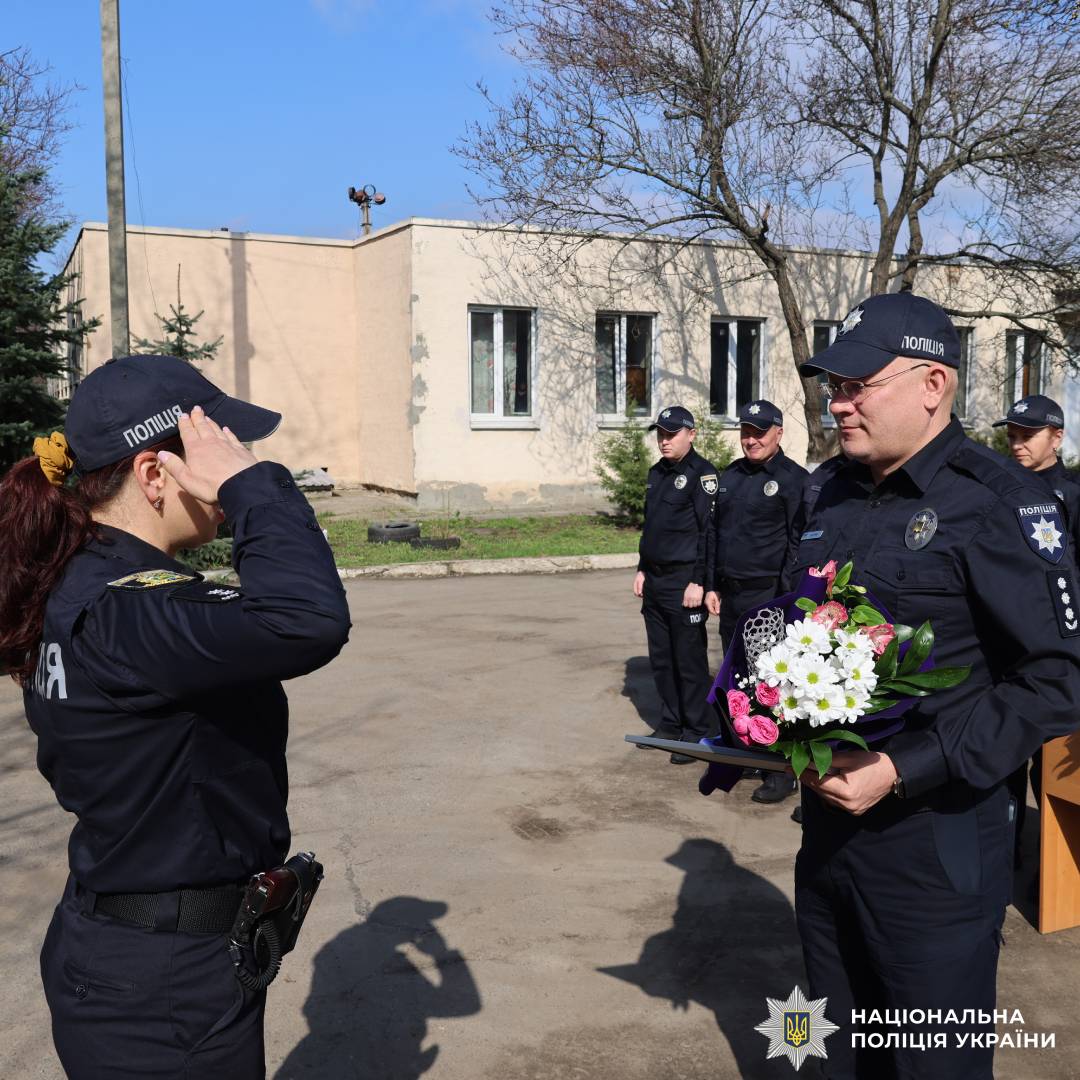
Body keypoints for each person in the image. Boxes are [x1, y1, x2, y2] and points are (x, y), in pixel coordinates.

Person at [0, 354, 352, 1078]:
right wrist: (255, 487)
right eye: (215, 451)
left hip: (133, 955)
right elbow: (306, 620)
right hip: (162, 988)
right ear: (155, 474)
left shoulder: (78, 584)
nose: (231, 468)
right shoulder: (131, 606)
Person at [784, 293, 1080, 1079]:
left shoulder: (998, 501)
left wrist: (904, 767)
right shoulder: (827, 491)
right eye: (832, 387)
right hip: (827, 839)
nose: (837, 404)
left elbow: (1054, 682)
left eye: (857, 386)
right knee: (830, 1057)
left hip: (936, 853)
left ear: (931, 384)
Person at [704, 399, 808, 804]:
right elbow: (715, 534)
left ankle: (781, 772)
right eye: (746, 431)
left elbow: (796, 543)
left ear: (778, 433)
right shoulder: (730, 476)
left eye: (759, 432)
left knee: (772, 684)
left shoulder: (793, 479)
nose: (751, 439)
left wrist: (787, 598)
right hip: (731, 593)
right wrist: (712, 584)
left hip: (769, 595)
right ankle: (751, 753)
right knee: (740, 680)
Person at [994, 394, 1080, 865]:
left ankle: (1049, 869)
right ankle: (1003, 863)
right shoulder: (998, 490)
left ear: (1057, 437)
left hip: (1054, 653)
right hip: (1006, 653)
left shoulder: (1070, 495)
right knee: (1001, 764)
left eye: (1027, 435)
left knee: (1049, 777)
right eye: (1011, 435)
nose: (1017, 444)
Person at [634, 406, 718, 763]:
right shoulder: (657, 473)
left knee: (688, 660)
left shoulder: (703, 475)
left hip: (685, 583)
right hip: (655, 580)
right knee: (662, 658)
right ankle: (670, 723)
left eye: (671, 434)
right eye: (660, 434)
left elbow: (708, 533)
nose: (664, 441)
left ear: (691, 434)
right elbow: (650, 527)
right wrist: (641, 568)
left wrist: (699, 581)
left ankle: (696, 730)